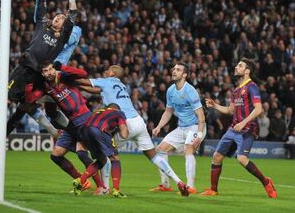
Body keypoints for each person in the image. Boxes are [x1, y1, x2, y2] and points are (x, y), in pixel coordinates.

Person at [77, 65, 189, 196]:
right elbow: (94, 90)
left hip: (125, 121)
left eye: (107, 70)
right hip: (138, 121)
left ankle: (105, 188)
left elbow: (85, 81)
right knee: (153, 156)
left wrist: (68, 79)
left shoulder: (107, 81)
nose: (105, 72)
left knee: (105, 154)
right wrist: (78, 87)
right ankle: (179, 181)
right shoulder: (121, 85)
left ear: (112, 73)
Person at [6, 0, 79, 137]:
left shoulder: (62, 38)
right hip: (24, 69)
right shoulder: (42, 25)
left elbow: (73, 15)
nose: (57, 18)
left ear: (63, 26)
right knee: (8, 99)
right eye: (57, 16)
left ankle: (68, 132)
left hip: (40, 74)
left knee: (26, 106)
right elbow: (42, 2)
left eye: (61, 18)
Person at [200, 58, 277, 198]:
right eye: (237, 65)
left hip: (248, 129)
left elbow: (259, 109)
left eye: (240, 65)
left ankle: (266, 182)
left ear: (247, 71)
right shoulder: (236, 90)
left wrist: (244, 122)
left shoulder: (252, 86)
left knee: (241, 158)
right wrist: (215, 105)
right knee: (217, 156)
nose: (236, 67)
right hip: (233, 128)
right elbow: (230, 110)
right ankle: (213, 189)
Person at [26, 61, 103, 192]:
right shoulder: (46, 86)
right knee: (56, 155)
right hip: (71, 125)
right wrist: (29, 87)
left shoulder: (64, 76)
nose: (49, 72)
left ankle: (101, 187)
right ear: (42, 74)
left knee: (81, 153)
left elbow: (83, 73)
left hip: (84, 119)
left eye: (50, 69)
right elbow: (31, 100)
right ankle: (82, 181)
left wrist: (62, 67)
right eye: (45, 71)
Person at [151, 62, 206, 194]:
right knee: (160, 149)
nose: (174, 71)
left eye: (178, 70)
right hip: (181, 127)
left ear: (185, 75)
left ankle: (190, 186)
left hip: (195, 126)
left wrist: (199, 135)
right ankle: (165, 185)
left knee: (188, 149)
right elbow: (168, 111)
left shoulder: (190, 91)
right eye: (174, 69)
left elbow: (201, 116)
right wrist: (159, 126)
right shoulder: (170, 90)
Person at [75, 104, 128, 198]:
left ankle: (80, 181)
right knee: (115, 158)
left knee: (102, 160)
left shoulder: (97, 111)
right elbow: (124, 134)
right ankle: (116, 190)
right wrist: (123, 130)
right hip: (98, 129)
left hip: (83, 132)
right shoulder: (119, 113)